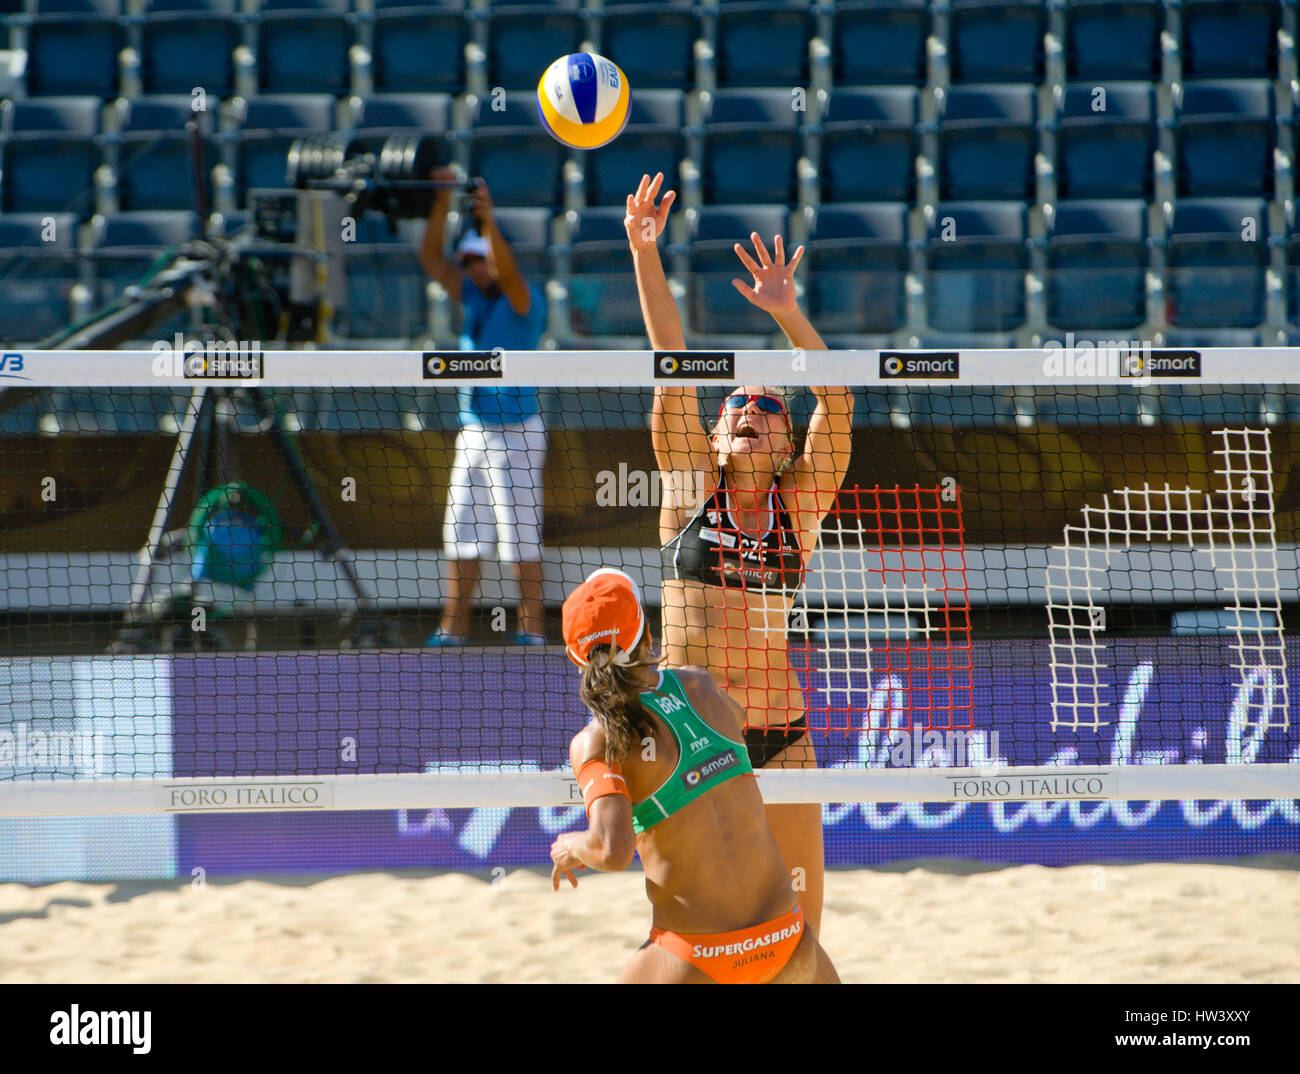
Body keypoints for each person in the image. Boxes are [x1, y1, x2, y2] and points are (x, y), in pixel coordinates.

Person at [625, 172, 854, 938]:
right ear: (717, 440)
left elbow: (840, 401)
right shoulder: (691, 491)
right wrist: (646, 253)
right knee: (693, 929)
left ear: (785, 444)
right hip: (694, 737)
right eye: (737, 408)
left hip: (782, 735)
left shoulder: (799, 507)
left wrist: (790, 317)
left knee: (799, 935)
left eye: (769, 408)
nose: (752, 409)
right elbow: (672, 361)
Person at [551, 567, 840, 984]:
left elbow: (612, 850)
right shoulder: (703, 687)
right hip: (786, 939)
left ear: (576, 658)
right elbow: (735, 722)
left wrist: (571, 847)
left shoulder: (597, 741)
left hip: (697, 955)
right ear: (647, 636)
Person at [419, 168, 549, 647]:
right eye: (470, 261)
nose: (474, 269)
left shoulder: (523, 299)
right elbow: (432, 257)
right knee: (461, 533)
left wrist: (487, 219)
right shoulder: (472, 292)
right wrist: (439, 201)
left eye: (481, 260)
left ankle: (531, 632)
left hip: (517, 430)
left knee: (520, 538)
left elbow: (509, 272)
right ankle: (451, 630)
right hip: (474, 429)